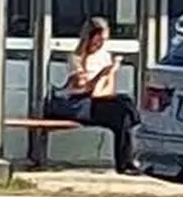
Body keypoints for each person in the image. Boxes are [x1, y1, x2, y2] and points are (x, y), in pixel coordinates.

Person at [46, 16, 140, 175]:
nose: (101, 44)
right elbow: (81, 87)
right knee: (124, 114)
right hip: (80, 102)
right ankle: (126, 162)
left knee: (124, 112)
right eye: (99, 39)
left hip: (98, 99)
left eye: (105, 40)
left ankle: (126, 161)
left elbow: (108, 89)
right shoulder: (76, 58)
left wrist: (109, 75)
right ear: (90, 37)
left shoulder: (104, 55)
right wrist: (102, 74)